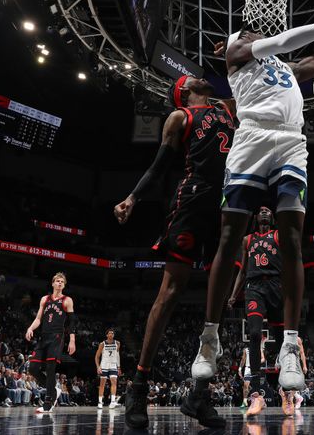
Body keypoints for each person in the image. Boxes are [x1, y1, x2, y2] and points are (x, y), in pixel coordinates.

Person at [190, 0, 314, 424]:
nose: (253, 31)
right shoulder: (239, 53)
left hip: (292, 141)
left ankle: (291, 344)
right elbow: (284, 38)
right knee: (229, 237)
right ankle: (209, 337)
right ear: (233, 45)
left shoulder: (279, 69)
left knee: (292, 237)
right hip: (252, 139)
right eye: (248, 31)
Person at [115, 75, 235, 430]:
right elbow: (158, 166)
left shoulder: (228, 108)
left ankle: (199, 393)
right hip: (193, 200)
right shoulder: (179, 116)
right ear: (184, 91)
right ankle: (138, 386)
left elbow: (251, 79)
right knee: (170, 291)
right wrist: (133, 197)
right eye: (193, 78)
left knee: (220, 297)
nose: (202, 75)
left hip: (229, 201)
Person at [228, 206, 285, 416]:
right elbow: (242, 270)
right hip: (254, 288)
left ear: (273, 217)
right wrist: (234, 295)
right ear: (255, 216)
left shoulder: (279, 235)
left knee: (280, 339)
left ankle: (287, 390)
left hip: (275, 286)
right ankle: (256, 393)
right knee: (253, 334)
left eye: (268, 211)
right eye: (260, 210)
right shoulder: (247, 240)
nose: (263, 212)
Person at [25, 272, 77, 413]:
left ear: (64, 285)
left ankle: (48, 403)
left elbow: (72, 322)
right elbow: (38, 319)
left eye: (62, 282)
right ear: (53, 283)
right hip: (44, 337)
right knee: (33, 368)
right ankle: (53, 390)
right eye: (57, 281)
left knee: (50, 369)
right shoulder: (45, 299)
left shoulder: (67, 300)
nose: (60, 283)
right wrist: (30, 328)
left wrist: (72, 340)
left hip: (57, 337)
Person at [95, 329, 121, 409]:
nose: (111, 334)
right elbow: (97, 357)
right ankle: (100, 402)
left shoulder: (117, 343)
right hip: (104, 365)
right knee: (102, 384)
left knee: (114, 382)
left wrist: (119, 367)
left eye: (112, 333)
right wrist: (98, 366)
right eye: (109, 333)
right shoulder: (102, 344)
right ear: (106, 335)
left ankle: (112, 401)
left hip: (113, 365)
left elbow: (117, 355)